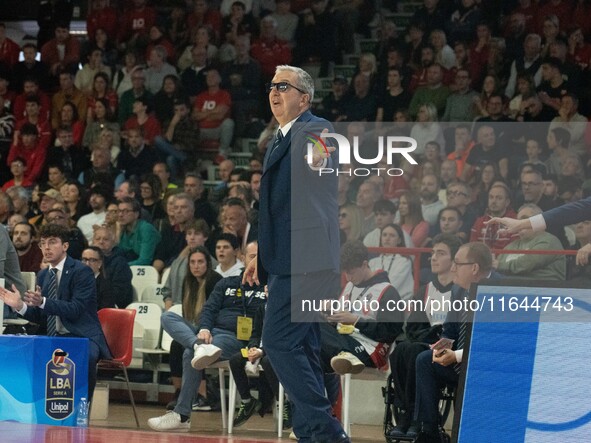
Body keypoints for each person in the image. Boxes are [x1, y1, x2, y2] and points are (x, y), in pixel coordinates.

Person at [242, 65, 350, 442]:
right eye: (271, 86)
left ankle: (326, 431)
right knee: (303, 345)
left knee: (277, 342)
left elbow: (322, 156)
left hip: (306, 257)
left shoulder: (315, 128)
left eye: (283, 86)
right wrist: (259, 253)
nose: (274, 92)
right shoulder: (278, 137)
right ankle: (310, 432)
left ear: (304, 98)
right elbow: (271, 206)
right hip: (287, 257)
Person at [148, 242, 265, 431]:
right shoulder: (226, 283)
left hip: (237, 339)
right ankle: (197, 345)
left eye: (261, 256)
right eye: (252, 256)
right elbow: (209, 309)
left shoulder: (270, 288)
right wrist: (204, 329)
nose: (257, 261)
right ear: (243, 258)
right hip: (211, 335)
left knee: (188, 354)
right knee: (167, 316)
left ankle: (182, 415)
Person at [0, 224, 111, 399]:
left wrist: (43, 301)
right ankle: (36, 406)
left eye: (52, 242)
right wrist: (19, 305)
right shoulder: (44, 275)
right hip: (52, 335)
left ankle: (82, 410)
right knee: (21, 352)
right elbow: (40, 316)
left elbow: (75, 309)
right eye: (43, 243)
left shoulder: (82, 272)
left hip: (81, 334)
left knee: (87, 356)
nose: (46, 248)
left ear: (65, 246)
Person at [413, 242, 494, 443]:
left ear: (474, 268)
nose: (452, 268)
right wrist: (440, 349)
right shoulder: (459, 291)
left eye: (457, 263)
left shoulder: (497, 291)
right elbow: (450, 331)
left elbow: (489, 344)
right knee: (424, 359)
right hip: (460, 361)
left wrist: (455, 355)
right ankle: (430, 432)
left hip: (486, 365)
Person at [387, 233, 460, 439]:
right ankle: (407, 412)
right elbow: (412, 328)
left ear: (454, 260)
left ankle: (414, 416)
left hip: (447, 346)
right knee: (401, 349)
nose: (433, 258)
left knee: (415, 352)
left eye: (441, 253)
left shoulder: (461, 290)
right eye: (432, 253)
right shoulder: (424, 291)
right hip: (426, 341)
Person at [323, 241, 403, 375]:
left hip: (368, 349)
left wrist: (356, 320)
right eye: (345, 273)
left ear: (365, 264)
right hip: (343, 340)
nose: (348, 278)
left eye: (352, 273)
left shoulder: (387, 291)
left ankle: (346, 355)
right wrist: (331, 317)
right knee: (310, 325)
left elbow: (389, 332)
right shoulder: (349, 286)